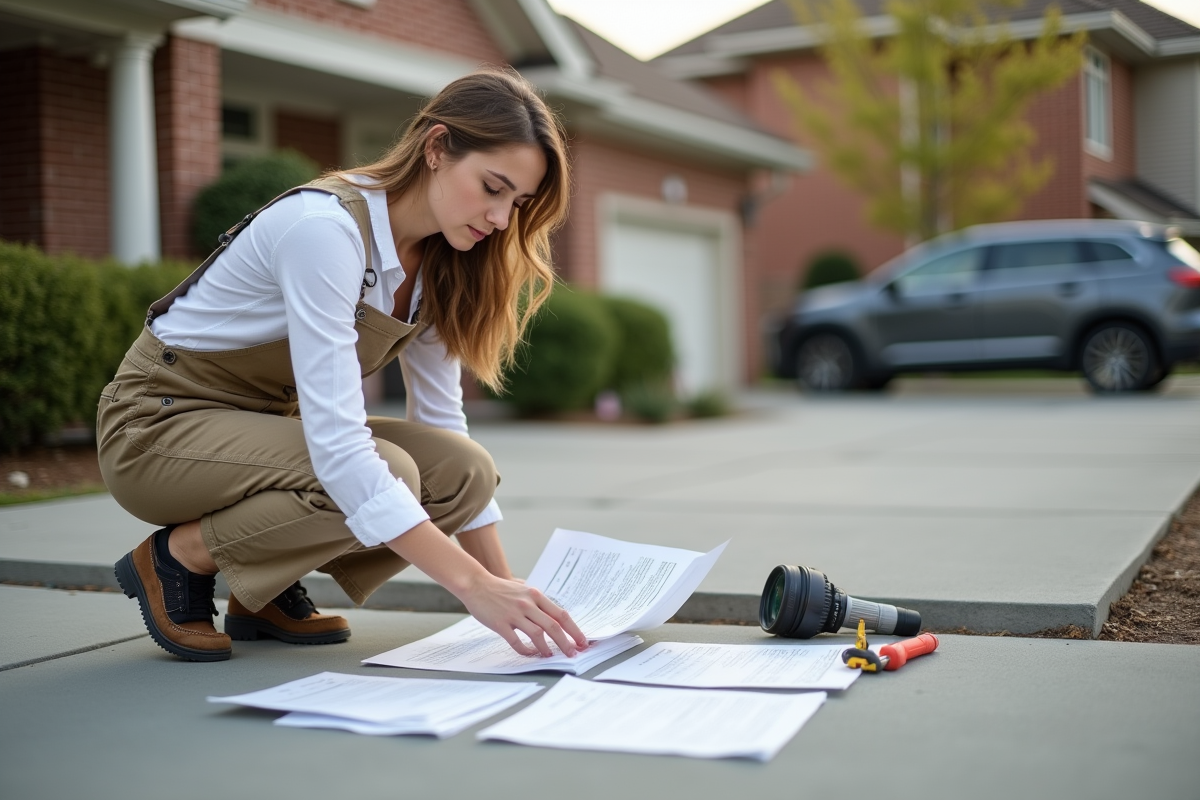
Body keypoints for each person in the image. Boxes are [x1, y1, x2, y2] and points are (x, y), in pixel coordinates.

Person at [98, 69, 588, 663]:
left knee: (463, 471)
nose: (502, 219)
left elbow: (441, 422)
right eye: (492, 187)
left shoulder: (442, 263)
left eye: (517, 202)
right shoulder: (324, 230)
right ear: (436, 148)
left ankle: (264, 589)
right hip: (157, 429)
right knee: (387, 470)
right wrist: (471, 586)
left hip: (270, 436)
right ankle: (178, 558)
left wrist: (511, 598)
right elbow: (338, 447)